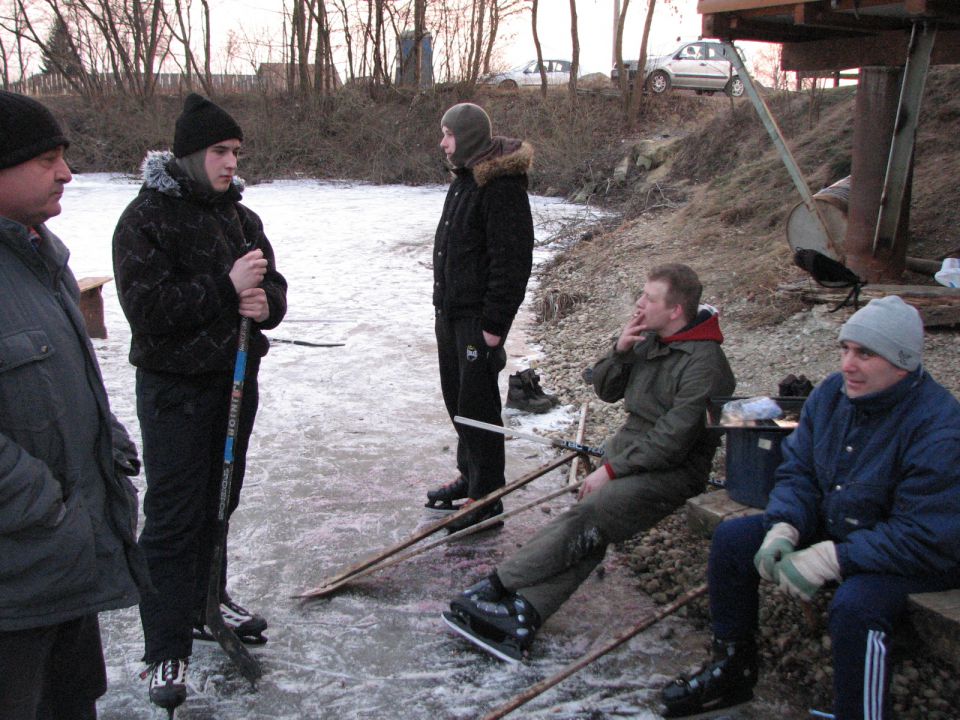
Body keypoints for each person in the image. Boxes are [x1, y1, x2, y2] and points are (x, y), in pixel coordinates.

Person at [660, 296, 960, 720]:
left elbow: (926, 534)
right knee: (734, 538)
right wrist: (786, 526)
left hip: (922, 556)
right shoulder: (833, 395)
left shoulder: (939, 427)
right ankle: (733, 667)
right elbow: (798, 471)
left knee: (856, 605)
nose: (848, 364)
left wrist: (833, 557)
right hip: (846, 525)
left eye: (865, 354)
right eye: (846, 349)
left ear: (903, 363)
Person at [444, 264, 736, 660]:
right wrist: (620, 351)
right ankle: (525, 613)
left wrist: (610, 471)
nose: (639, 303)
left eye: (649, 299)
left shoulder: (706, 364)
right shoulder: (652, 339)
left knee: (594, 512)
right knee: (594, 526)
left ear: (675, 311)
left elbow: (674, 440)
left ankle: (497, 586)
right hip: (632, 452)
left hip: (674, 470)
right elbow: (606, 390)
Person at [112, 93, 287, 712]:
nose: (230, 163)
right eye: (219, 152)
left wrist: (266, 304)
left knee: (223, 497)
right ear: (189, 155)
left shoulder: (240, 218)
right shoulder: (145, 220)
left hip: (235, 381)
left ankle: (206, 600)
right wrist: (225, 287)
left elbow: (274, 285)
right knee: (174, 514)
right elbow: (149, 313)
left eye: (236, 152)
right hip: (176, 391)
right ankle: (165, 644)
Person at [0, 90, 150, 719]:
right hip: (16, 580)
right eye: (45, 159)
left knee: (72, 701)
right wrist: (47, 503)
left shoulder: (40, 258)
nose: (66, 172)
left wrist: (105, 442)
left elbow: (65, 379)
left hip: (62, 566)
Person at [426, 102, 535, 531]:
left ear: (466, 136)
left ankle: (486, 498)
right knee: (459, 402)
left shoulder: (500, 186)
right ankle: (471, 477)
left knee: (478, 408)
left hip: (476, 322)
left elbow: (512, 262)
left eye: (448, 134)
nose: (443, 142)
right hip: (451, 314)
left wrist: (493, 327)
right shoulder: (466, 180)